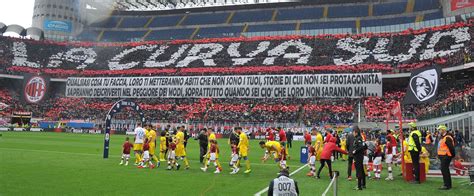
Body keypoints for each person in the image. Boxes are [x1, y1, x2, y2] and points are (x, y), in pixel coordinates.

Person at [437, 125, 455, 190]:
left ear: (443, 130)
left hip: (446, 156)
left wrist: (452, 155)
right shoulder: (443, 137)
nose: (438, 131)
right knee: (444, 170)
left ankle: (447, 185)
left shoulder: (447, 137)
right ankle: (447, 185)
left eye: (439, 129)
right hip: (444, 156)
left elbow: (451, 148)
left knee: (444, 170)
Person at [352, 126, 366, 190]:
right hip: (358, 156)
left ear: (356, 132)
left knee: (359, 171)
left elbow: (361, 147)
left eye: (353, 132)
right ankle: (363, 184)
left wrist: (355, 151)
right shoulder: (357, 138)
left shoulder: (359, 138)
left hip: (358, 157)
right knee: (361, 170)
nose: (353, 133)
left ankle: (359, 186)